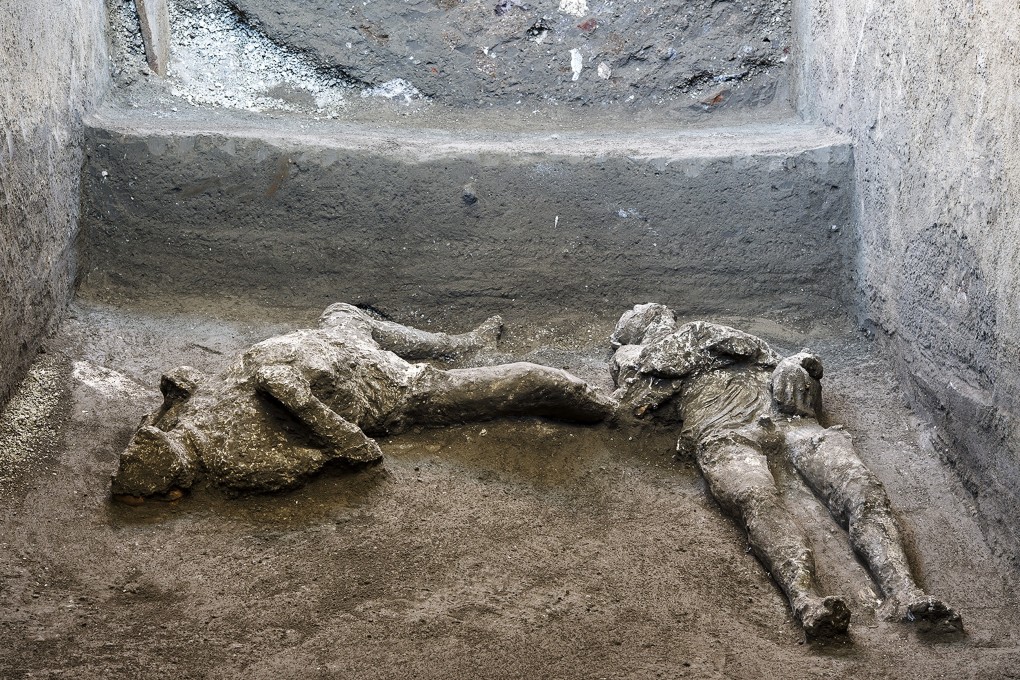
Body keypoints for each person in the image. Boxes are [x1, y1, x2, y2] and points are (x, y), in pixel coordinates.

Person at [610, 303, 961, 638]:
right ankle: (806, 599)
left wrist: (801, 364)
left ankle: (905, 592)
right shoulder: (633, 359)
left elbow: (790, 362)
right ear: (625, 335)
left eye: (649, 309)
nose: (645, 309)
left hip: (789, 418)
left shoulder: (717, 335)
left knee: (861, 488)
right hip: (723, 432)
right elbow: (627, 409)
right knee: (757, 499)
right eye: (634, 314)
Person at [112, 303, 616, 499]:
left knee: (346, 311)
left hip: (331, 344)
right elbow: (361, 453)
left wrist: (177, 393)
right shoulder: (241, 467)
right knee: (531, 381)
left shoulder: (175, 424)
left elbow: (178, 387)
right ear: (181, 475)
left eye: (160, 433)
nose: (168, 433)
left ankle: (460, 346)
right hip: (386, 390)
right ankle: (622, 409)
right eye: (169, 444)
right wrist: (299, 401)